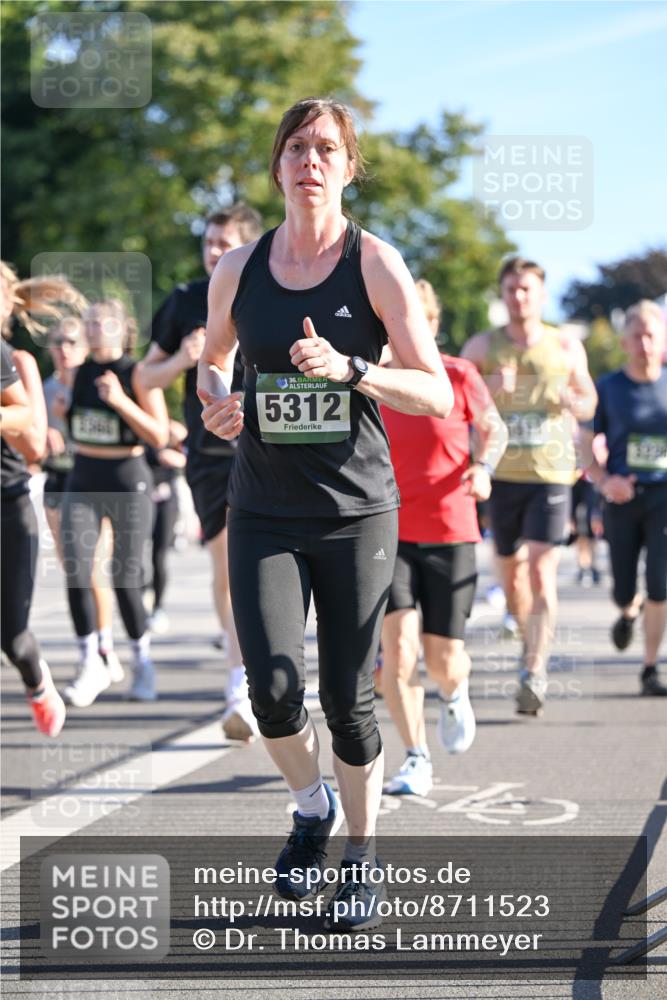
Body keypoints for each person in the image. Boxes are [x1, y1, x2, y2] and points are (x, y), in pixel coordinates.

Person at [198, 97, 453, 928]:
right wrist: (217, 404)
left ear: (347, 168)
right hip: (264, 506)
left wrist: (351, 369)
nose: (310, 161)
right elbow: (213, 364)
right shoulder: (236, 269)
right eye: (296, 148)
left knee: (348, 699)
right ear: (276, 166)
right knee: (272, 690)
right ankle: (310, 809)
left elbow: (434, 390)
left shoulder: (375, 262)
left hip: (354, 512)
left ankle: (362, 856)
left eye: (327, 150)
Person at [139, 204, 263, 740]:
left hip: (272, 449)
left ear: (247, 247)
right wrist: (181, 363)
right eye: (209, 242)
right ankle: (240, 679)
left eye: (224, 243)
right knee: (231, 563)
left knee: (268, 565)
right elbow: (143, 377)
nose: (213, 251)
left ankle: (262, 671)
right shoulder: (186, 301)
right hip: (212, 456)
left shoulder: (270, 290)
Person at [380, 279, 507, 796]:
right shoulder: (374, 379)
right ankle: (415, 756)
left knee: (443, 659)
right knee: (399, 654)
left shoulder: (458, 373)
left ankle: (455, 694)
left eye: (417, 321)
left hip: (452, 530)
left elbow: (493, 428)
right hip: (388, 531)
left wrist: (483, 467)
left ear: (431, 325)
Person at [462, 256, 597, 715]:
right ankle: (524, 636)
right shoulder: (483, 344)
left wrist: (572, 400)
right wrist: (488, 387)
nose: (518, 297)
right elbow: (451, 393)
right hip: (500, 476)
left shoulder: (564, 346)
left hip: (551, 475)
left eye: (527, 289)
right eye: (511, 290)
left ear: (541, 295)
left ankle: (533, 669)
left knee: (540, 571)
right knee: (512, 575)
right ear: (502, 295)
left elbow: (588, 399)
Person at [60, 300, 168, 705]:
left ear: (122, 329)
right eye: (86, 322)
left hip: (127, 480)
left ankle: (143, 662)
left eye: (99, 322)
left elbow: (159, 436)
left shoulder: (136, 373)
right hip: (84, 477)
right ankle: (91, 661)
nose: (91, 329)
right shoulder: (76, 373)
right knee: (77, 567)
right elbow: (75, 424)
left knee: (126, 577)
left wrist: (122, 401)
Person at [0, 261, 87, 736]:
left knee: (12, 637)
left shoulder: (21, 363)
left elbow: (34, 445)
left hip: (8, 504)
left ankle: (36, 682)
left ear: (8, 304)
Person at [580, 300, 667, 696]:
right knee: (623, 587)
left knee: (661, 585)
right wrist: (604, 481)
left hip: (663, 496)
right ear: (625, 342)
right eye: (637, 336)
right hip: (621, 497)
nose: (645, 344)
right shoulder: (609, 387)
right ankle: (627, 613)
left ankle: (649, 667)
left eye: (651, 335)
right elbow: (582, 446)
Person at [42, 316, 122, 682]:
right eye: (57, 342)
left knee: (93, 569)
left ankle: (102, 651)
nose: (64, 349)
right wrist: (42, 434)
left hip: (94, 480)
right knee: (74, 570)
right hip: (58, 480)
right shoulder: (42, 388)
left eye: (72, 341)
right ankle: (93, 650)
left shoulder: (97, 382)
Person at [144, 418, 187, 633]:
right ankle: (142, 594)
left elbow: (188, 449)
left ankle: (157, 607)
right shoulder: (137, 424)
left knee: (159, 556)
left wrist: (177, 455)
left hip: (166, 500)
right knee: (136, 556)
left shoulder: (169, 427)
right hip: (140, 498)